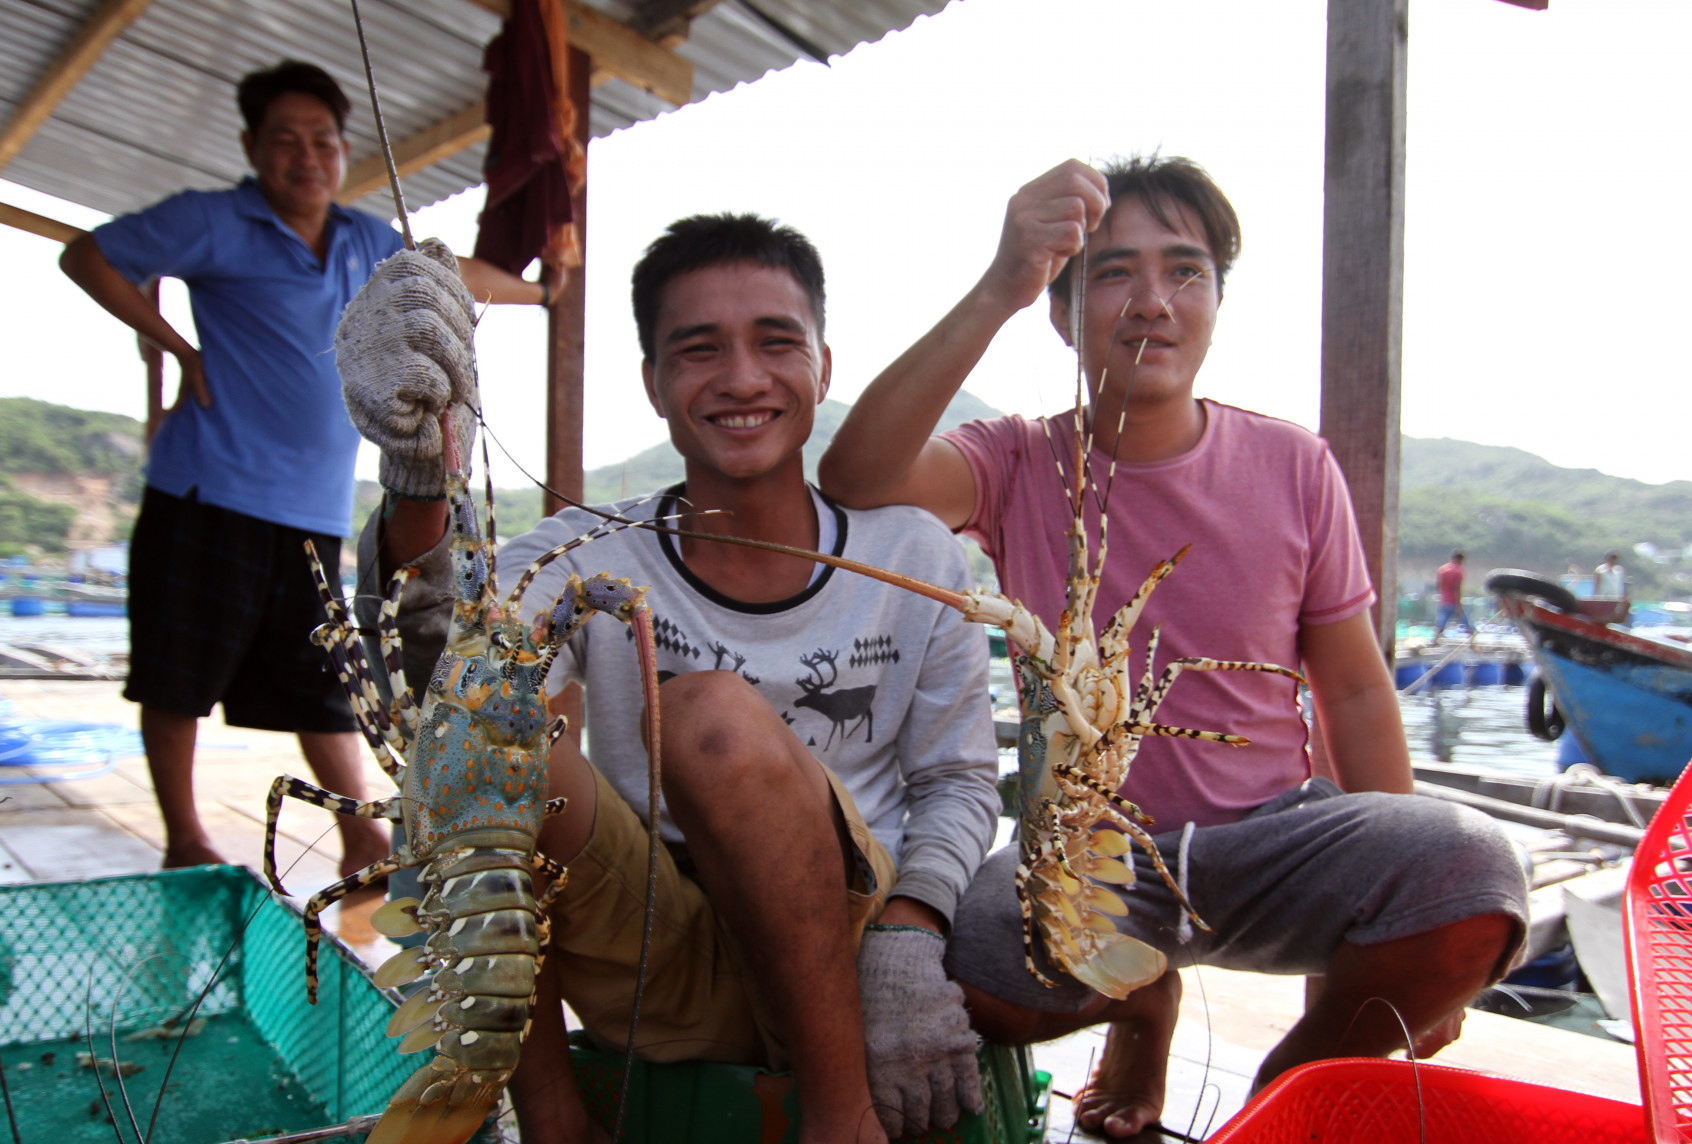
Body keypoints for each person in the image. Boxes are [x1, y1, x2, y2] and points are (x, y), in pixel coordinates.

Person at [819, 156, 1527, 1138]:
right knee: (945, 971)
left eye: (1185, 272)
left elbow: (1356, 694)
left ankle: (1290, 1085)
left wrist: (1377, 934)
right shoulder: (1017, 459)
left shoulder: (1294, 464)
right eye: (1113, 272)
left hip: (1272, 833)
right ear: (1062, 314)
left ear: (1219, 302)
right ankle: (1141, 1005)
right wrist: (1000, 284)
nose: (1153, 301)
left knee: (1474, 876)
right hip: (1085, 855)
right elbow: (855, 480)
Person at [342, 214, 1000, 1143]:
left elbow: (959, 781)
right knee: (483, 740)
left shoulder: (914, 553)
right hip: (652, 958)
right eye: (698, 350)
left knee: (710, 721)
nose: (741, 377)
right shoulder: (581, 553)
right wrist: (417, 476)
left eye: (777, 342)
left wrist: (910, 929)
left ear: (823, 365)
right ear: (653, 383)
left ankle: (843, 1122)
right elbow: (443, 663)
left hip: (846, 954)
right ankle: (556, 1120)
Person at [58, 61, 554, 873]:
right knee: (175, 676)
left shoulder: (364, 239)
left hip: (317, 508)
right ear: (253, 147)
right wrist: (176, 345)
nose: (306, 156)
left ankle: (362, 833)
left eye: (322, 140)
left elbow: (455, 272)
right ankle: (185, 839)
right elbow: (86, 256)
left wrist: (542, 293)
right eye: (285, 140)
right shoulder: (212, 221)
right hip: (209, 488)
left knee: (327, 676)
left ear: (345, 149)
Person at [1434, 550, 1472, 641]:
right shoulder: (1458, 571)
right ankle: (1472, 635)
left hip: (1444, 599)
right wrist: (1459, 605)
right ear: (1461, 560)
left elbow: (1438, 585)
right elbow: (1457, 589)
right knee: (1464, 619)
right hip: (1453, 601)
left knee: (1442, 619)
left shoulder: (1442, 569)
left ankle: (1436, 637)